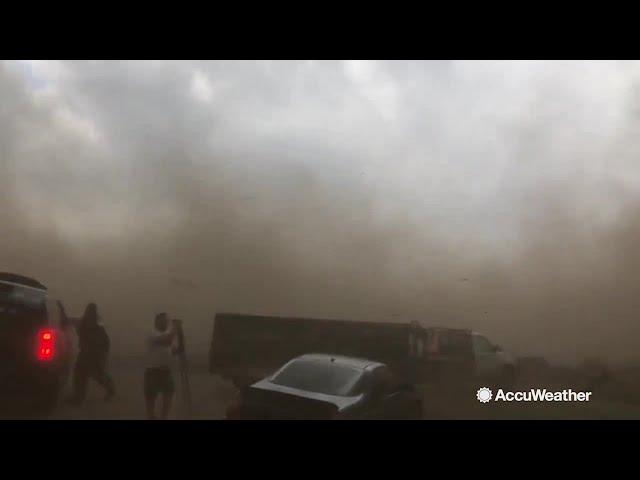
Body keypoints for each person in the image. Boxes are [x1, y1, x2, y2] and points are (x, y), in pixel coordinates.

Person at [67, 303, 116, 405]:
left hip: (94, 354)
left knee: (95, 375)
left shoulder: (97, 327)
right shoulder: (83, 323)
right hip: (86, 353)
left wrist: (103, 355)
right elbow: (69, 320)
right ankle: (79, 397)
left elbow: (106, 343)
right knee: (81, 375)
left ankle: (110, 389)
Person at [144, 313, 180, 420]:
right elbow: (166, 340)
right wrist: (175, 328)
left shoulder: (167, 334)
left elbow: (172, 349)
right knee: (151, 397)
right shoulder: (152, 333)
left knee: (169, 394)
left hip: (166, 371)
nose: (166, 323)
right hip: (153, 370)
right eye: (164, 321)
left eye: (167, 321)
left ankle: (164, 417)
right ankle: (151, 417)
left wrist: (180, 345)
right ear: (157, 321)